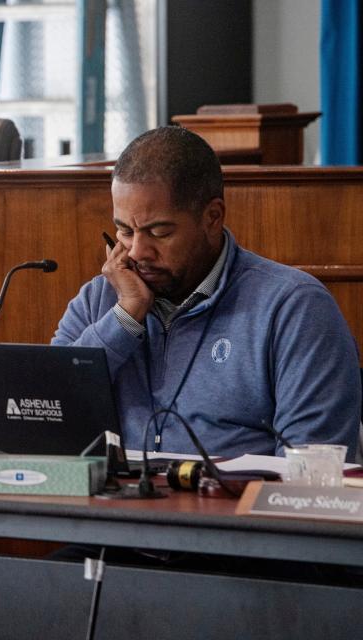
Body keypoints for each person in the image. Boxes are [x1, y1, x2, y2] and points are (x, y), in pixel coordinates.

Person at [52, 125, 360, 460]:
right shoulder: (99, 301)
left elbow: (314, 471)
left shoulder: (294, 307)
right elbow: (45, 412)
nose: (137, 252)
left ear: (212, 217)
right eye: (125, 230)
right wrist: (124, 318)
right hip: (109, 507)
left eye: (159, 232)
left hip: (235, 508)